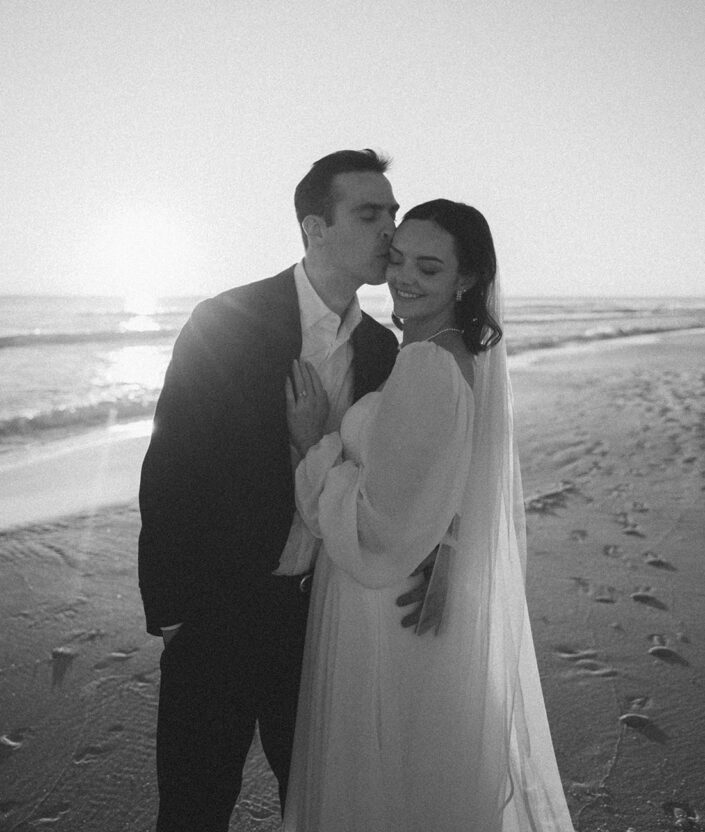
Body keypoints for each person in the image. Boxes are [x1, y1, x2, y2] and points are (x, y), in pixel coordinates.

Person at [280, 199, 577, 831]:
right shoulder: (456, 356)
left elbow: (375, 524)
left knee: (376, 778)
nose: (404, 277)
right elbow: (454, 481)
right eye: (397, 258)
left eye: (430, 267)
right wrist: (446, 545)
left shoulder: (425, 363)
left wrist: (315, 445)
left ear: (465, 280)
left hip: (376, 600)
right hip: (408, 590)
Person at [138, 149, 402, 831]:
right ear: (314, 227)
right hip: (216, 614)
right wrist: (172, 614)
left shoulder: (381, 350)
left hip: (319, 620)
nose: (389, 232)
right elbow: (171, 468)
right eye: (370, 214)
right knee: (194, 810)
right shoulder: (226, 319)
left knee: (317, 807)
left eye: (392, 214)